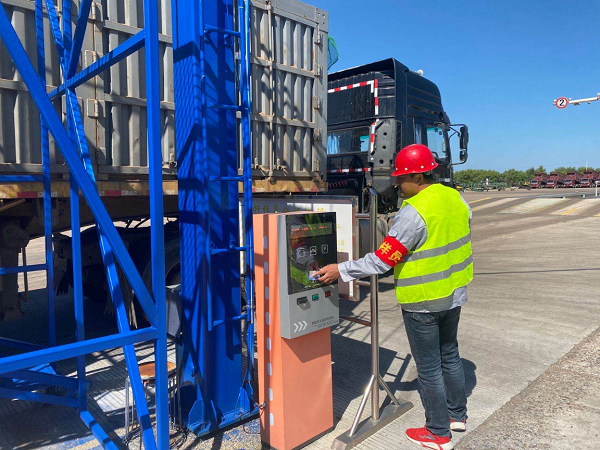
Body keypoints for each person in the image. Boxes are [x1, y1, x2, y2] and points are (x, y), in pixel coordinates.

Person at [314, 144, 473, 450]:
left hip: (423, 300)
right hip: (454, 293)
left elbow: (382, 261)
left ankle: (438, 433)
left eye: (401, 179)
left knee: (429, 367)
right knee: (449, 354)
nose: (397, 185)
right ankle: (457, 415)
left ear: (419, 176)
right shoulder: (455, 198)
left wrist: (341, 270)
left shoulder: (413, 214)